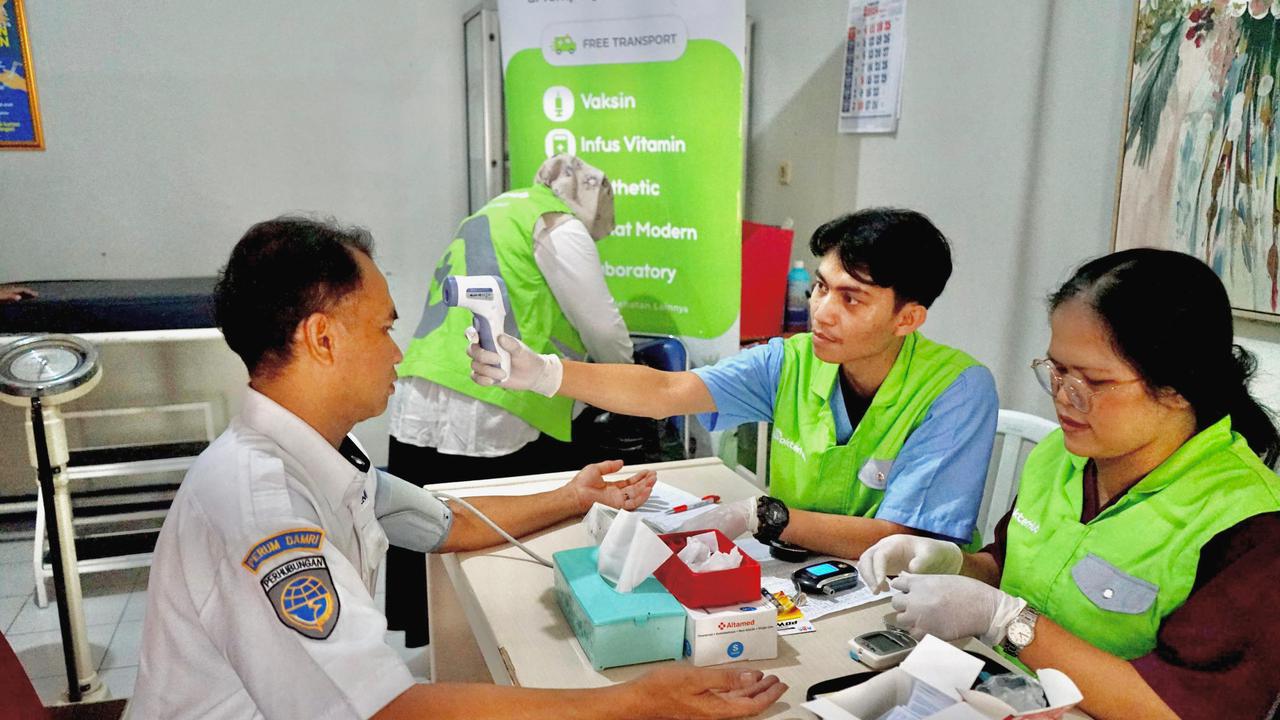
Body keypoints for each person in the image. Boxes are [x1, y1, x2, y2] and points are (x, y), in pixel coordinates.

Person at [126, 217, 785, 720]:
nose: (398, 353)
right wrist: (638, 701)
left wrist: (573, 496)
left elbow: (443, 523)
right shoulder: (262, 507)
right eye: (384, 329)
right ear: (322, 339)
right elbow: (384, 710)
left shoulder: (318, 456)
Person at [857, 248, 1280, 719]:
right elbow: (1013, 566)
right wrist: (956, 564)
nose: (1062, 397)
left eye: (1092, 382)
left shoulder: (1250, 527)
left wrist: (1007, 622)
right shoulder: (1062, 454)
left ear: (1179, 387)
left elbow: (1179, 708)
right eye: (1057, 370)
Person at [470, 208, 999, 560]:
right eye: (820, 288)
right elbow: (666, 392)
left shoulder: (956, 390)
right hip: (799, 566)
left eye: (851, 299)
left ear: (907, 319)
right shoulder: (791, 360)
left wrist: (759, 515)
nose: (822, 311)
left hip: (897, 596)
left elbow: (900, 541)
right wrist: (545, 373)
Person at [387, 154, 634, 646]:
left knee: (428, 524)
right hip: (494, 399)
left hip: (424, 386)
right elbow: (603, 327)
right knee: (493, 545)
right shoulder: (561, 225)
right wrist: (626, 384)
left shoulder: (498, 209)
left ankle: (443, 653)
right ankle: (496, 650)